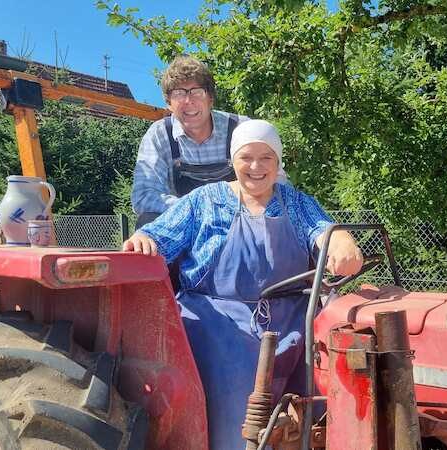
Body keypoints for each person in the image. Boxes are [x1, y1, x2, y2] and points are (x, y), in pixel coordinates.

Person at [122, 119, 363, 449]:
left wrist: (342, 243)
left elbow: (324, 231)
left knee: (314, 408)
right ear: (232, 161)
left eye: (266, 157)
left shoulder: (296, 202)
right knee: (237, 423)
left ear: (278, 163)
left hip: (292, 323)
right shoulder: (203, 201)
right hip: (216, 327)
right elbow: (158, 236)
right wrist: (143, 239)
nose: (256, 166)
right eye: (246, 157)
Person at [131, 55, 288, 228]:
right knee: (146, 222)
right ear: (169, 103)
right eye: (178, 93)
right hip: (185, 225)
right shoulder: (160, 134)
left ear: (210, 98)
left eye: (197, 92)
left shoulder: (241, 128)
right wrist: (198, 210)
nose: (188, 101)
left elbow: (277, 181)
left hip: (241, 222)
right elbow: (144, 195)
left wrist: (243, 211)